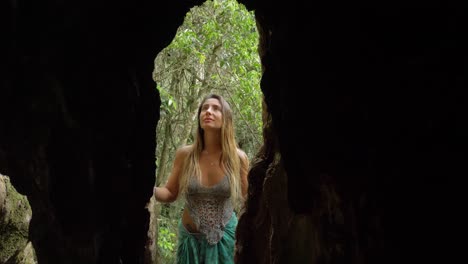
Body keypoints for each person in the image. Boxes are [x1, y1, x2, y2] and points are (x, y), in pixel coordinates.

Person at [154, 93, 249, 264]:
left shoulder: (238, 158)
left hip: (224, 240)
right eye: (204, 108)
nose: (208, 111)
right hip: (190, 243)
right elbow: (170, 193)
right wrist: (147, 190)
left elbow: (249, 200)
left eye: (215, 108)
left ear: (225, 118)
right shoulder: (185, 155)